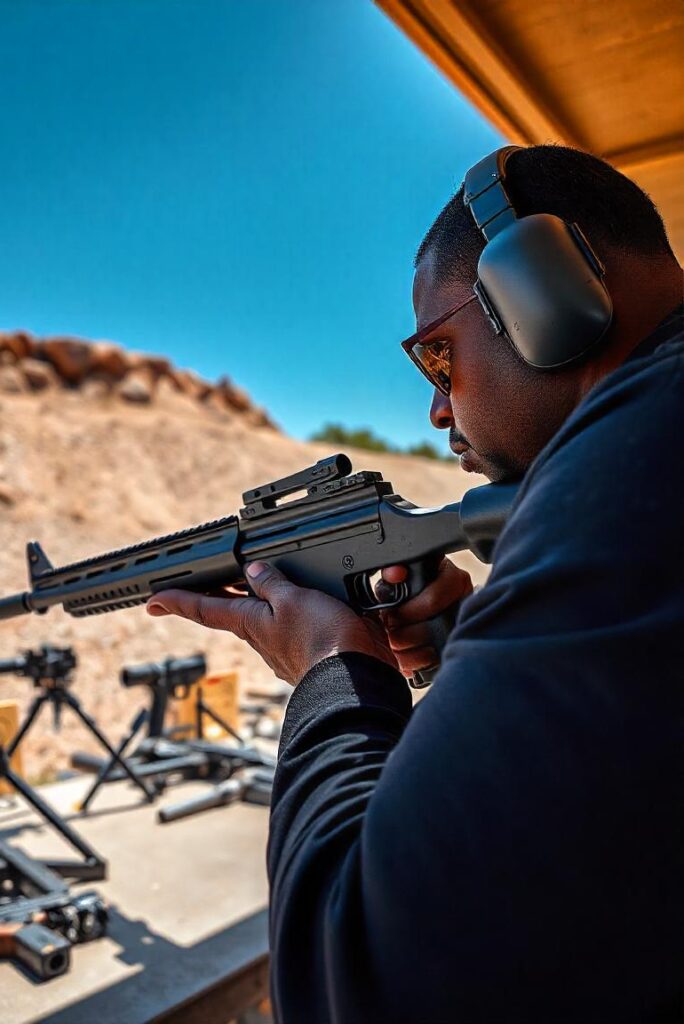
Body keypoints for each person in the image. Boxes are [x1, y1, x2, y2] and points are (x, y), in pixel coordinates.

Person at [146, 146, 684, 1022]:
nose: (438, 408)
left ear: (548, 298)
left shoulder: (631, 466)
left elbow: (352, 980)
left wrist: (332, 671)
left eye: (439, 354)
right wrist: (471, 652)